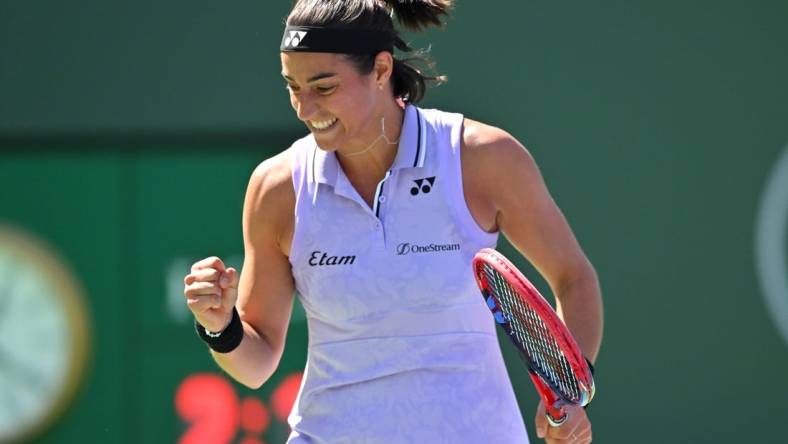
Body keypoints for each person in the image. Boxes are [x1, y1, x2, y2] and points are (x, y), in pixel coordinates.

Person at [183, 0, 603, 442]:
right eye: (293, 86)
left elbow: (573, 277)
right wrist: (219, 324)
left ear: (381, 70)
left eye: (323, 88)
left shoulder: (482, 158)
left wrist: (568, 394)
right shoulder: (276, 188)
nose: (305, 108)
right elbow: (257, 361)